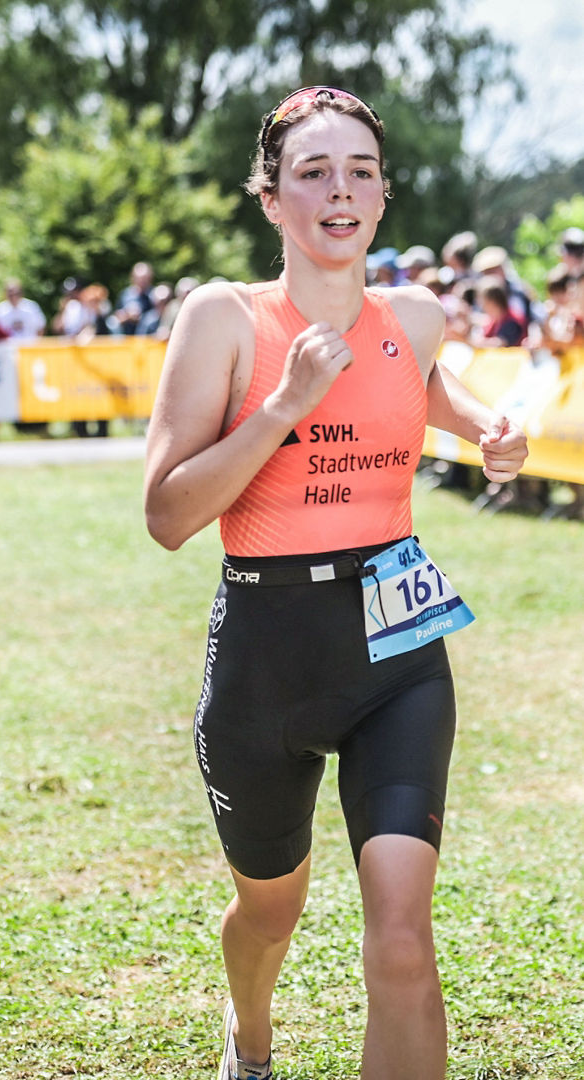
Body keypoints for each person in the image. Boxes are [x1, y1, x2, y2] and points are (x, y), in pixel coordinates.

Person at [144, 86, 528, 1080]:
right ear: (271, 199)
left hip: (400, 647)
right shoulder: (223, 318)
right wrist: (281, 406)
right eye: (311, 171)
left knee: (402, 934)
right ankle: (251, 1036)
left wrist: (488, 429)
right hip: (267, 656)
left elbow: (423, 382)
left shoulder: (414, 314)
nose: (339, 189)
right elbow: (169, 516)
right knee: (270, 911)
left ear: (384, 195)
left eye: (359, 169)